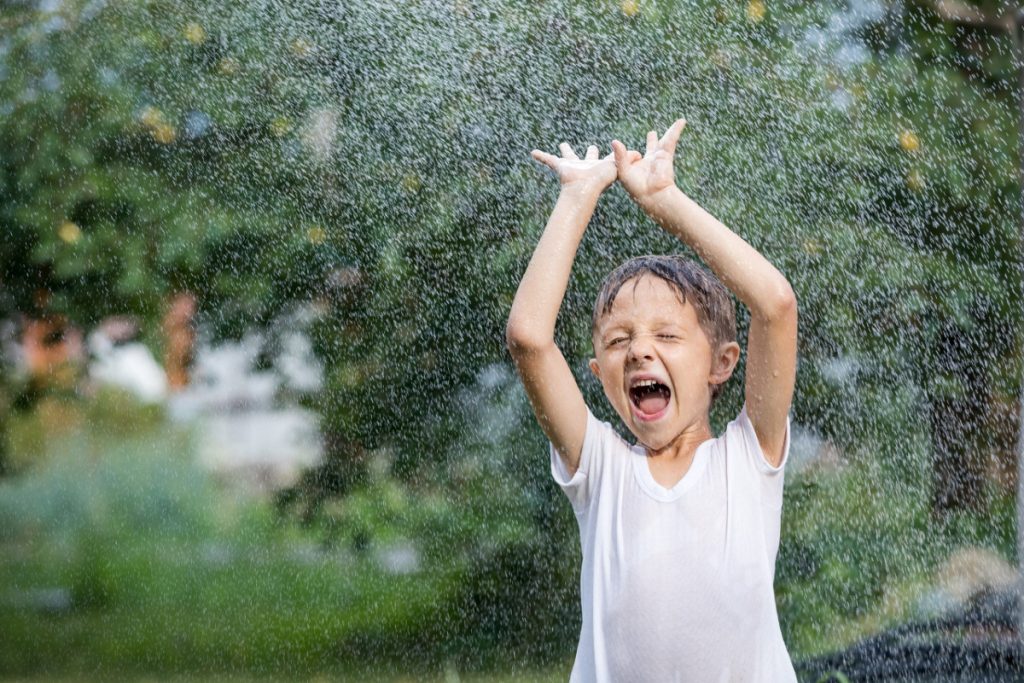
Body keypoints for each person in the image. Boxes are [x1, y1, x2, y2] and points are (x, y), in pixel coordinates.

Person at [506, 118, 798, 681]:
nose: (640, 351)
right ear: (598, 373)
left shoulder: (748, 458)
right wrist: (576, 199)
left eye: (667, 336)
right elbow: (528, 338)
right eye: (619, 341)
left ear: (723, 363)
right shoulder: (600, 470)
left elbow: (775, 305)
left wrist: (667, 202)